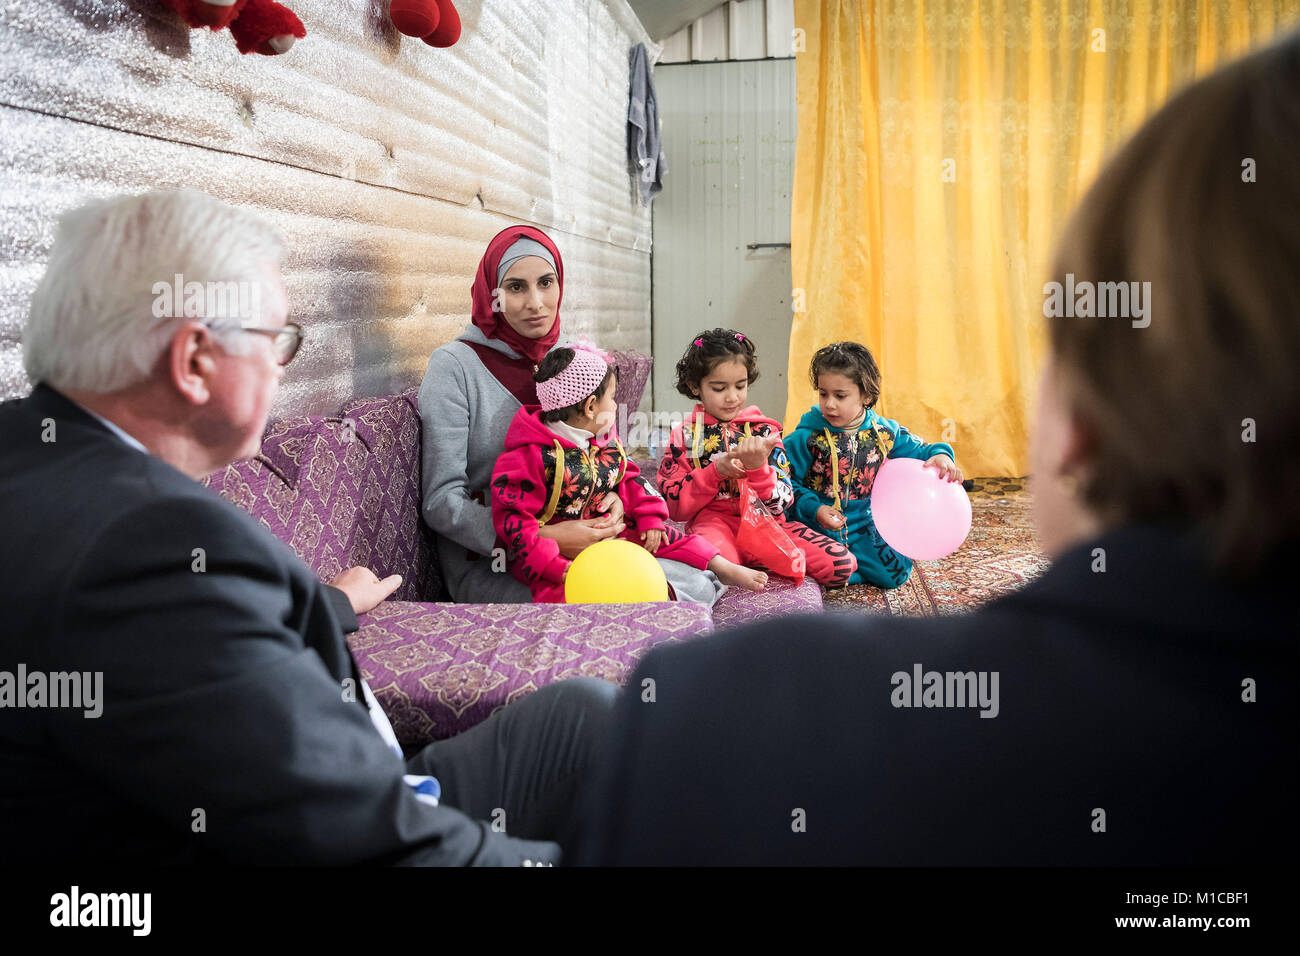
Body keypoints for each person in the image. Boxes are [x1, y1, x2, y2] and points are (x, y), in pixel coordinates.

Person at [574, 31, 1300, 865]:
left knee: (835, 562)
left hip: (789, 543)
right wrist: (768, 490)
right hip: (752, 521)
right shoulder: (762, 435)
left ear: (1082, 418)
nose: (739, 399)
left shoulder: (724, 711)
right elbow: (698, 488)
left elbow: (896, 454)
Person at [0, 188, 616, 865]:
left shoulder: (34, 460)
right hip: (377, 811)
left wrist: (326, 602)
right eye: (277, 340)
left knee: (586, 713)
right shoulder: (149, 546)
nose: (281, 366)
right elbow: (356, 840)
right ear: (195, 362)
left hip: (377, 780)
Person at [417, 225, 724, 605]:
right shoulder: (455, 366)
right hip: (499, 559)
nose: (536, 302)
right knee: (629, 599)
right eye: (516, 288)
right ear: (492, 294)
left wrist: (617, 501)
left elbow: (599, 454)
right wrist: (544, 538)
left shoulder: (567, 359)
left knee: (693, 579)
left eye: (546, 282)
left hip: (588, 538)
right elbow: (441, 500)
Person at [491, 345, 766, 602]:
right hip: (561, 558)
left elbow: (629, 479)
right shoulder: (528, 457)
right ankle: (673, 595)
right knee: (573, 597)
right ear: (590, 407)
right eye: (612, 398)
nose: (615, 406)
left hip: (613, 532)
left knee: (666, 536)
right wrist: (553, 566)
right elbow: (514, 523)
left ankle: (719, 566)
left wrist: (648, 517)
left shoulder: (603, 439)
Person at [657, 328, 856, 587]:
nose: (732, 397)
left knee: (842, 565)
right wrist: (716, 471)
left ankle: (753, 559)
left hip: (769, 524)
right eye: (719, 388)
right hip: (715, 527)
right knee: (713, 566)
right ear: (696, 386)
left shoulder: (765, 431)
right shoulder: (684, 435)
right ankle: (736, 563)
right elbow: (674, 508)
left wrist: (758, 469)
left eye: (741, 386)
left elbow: (782, 503)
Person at [784, 341, 963, 589]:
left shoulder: (885, 433)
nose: (829, 404)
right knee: (816, 562)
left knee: (896, 575)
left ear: (866, 395)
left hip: (864, 525)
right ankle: (836, 569)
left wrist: (943, 455)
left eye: (840, 395)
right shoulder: (806, 437)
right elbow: (784, 481)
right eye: (823, 394)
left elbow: (924, 451)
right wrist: (814, 509)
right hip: (816, 522)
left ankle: (846, 572)